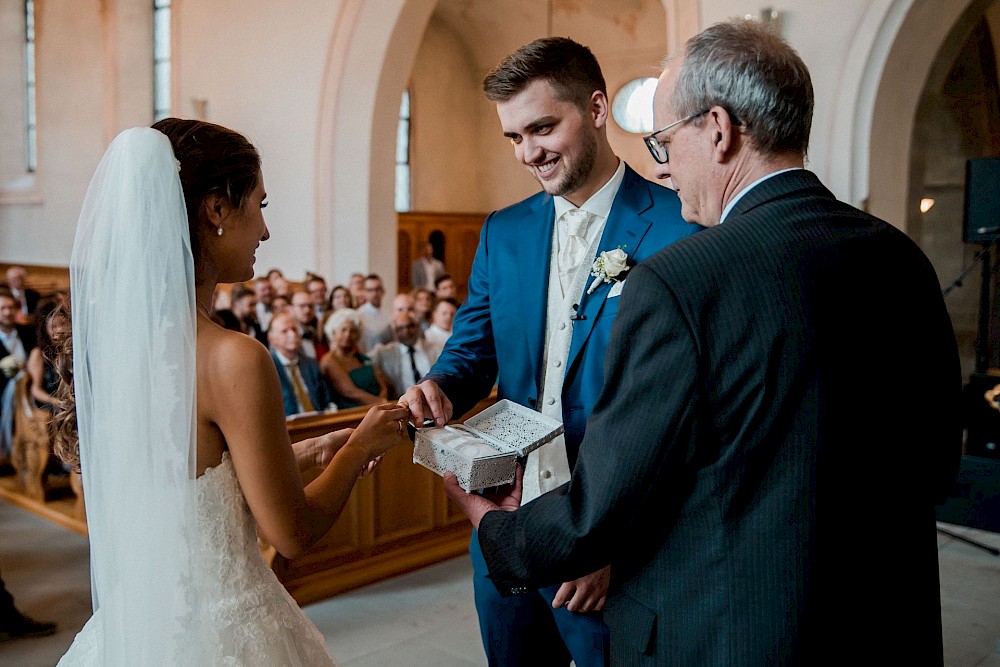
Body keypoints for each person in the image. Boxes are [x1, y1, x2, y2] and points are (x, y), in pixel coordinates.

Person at [443, 20, 963, 665]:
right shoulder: (902, 258)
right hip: (882, 618)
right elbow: (940, 460)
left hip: (733, 622)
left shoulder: (683, 275)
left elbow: (602, 509)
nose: (664, 164)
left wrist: (493, 523)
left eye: (664, 140)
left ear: (717, 130)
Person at [54, 120, 410, 665]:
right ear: (217, 210)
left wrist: (308, 452)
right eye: (259, 204)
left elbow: (183, 482)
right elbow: (292, 532)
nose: (265, 230)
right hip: (228, 634)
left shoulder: (115, 346)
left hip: (137, 629)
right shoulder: (234, 357)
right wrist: (363, 445)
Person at [400, 37, 695, 667]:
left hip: (615, 546)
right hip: (507, 526)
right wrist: (440, 386)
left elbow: (685, 418)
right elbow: (470, 352)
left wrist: (613, 541)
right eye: (513, 137)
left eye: (542, 127)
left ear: (594, 107)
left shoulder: (680, 228)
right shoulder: (503, 231)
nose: (529, 153)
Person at [320, 308, 387, 409]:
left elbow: (382, 384)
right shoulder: (329, 360)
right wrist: (381, 403)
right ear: (333, 333)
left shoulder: (363, 358)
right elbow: (350, 392)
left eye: (353, 331)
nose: (348, 335)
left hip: (379, 407)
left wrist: (384, 399)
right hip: (352, 414)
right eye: (343, 330)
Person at [268, 312, 332, 416]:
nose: (292, 334)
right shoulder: (268, 369)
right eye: (284, 331)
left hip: (318, 422)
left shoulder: (311, 364)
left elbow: (327, 399)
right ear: (272, 340)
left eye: (294, 329)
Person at [372, 311, 441, 400]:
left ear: (418, 327)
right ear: (394, 332)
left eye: (410, 326)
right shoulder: (383, 353)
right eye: (400, 329)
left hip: (435, 399)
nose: (406, 331)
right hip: (401, 404)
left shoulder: (436, 349)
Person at [357, 274, 393, 352]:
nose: (374, 293)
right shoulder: (359, 315)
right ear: (364, 292)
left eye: (377, 289)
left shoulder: (389, 313)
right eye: (370, 290)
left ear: (383, 291)